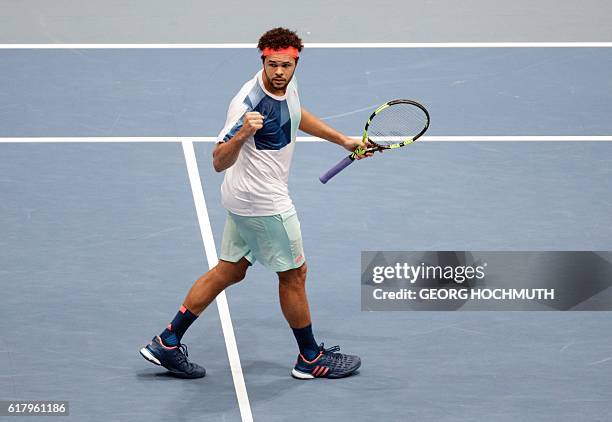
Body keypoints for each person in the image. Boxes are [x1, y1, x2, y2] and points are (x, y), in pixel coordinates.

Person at [140, 27, 371, 380]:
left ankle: (167, 341)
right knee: (294, 274)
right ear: (262, 60)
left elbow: (294, 112)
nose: (279, 72)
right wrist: (244, 133)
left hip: (243, 197)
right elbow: (218, 161)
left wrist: (341, 139)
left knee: (229, 270)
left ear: (296, 63)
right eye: (272, 65)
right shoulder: (247, 104)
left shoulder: (285, 85)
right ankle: (310, 357)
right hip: (263, 203)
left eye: (286, 66)